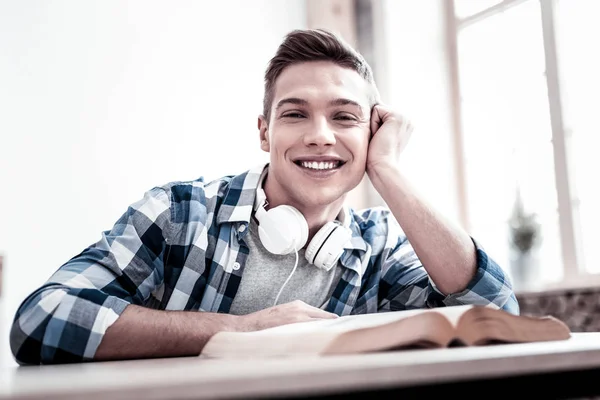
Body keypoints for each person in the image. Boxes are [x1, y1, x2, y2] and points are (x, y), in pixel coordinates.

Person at [10, 28, 519, 366]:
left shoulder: (382, 243)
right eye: (295, 114)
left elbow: (498, 317)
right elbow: (43, 319)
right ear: (264, 132)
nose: (320, 135)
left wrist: (387, 170)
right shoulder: (179, 213)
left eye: (345, 117)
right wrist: (240, 330)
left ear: (373, 133)